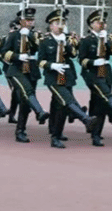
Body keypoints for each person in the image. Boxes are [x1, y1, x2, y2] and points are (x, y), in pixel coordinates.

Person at [38, 8, 98, 148]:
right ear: (50, 25)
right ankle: (85, 118)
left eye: (62, 23)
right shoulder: (45, 41)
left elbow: (73, 54)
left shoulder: (66, 39)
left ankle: (56, 135)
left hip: (67, 76)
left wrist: (66, 44)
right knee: (66, 100)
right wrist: (52, 65)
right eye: (57, 23)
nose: (60, 25)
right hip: (53, 77)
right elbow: (40, 61)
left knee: (62, 108)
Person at [78, 9, 112, 147]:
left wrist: (106, 40)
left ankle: (94, 129)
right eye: (98, 22)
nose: (101, 24)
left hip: (105, 72)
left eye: (104, 22)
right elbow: (81, 60)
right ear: (91, 24)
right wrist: (93, 62)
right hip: (92, 73)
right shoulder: (86, 40)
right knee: (105, 96)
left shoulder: (109, 38)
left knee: (100, 103)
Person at [1, 7, 49, 143]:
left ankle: (20, 130)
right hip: (16, 69)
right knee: (27, 92)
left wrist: (30, 36)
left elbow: (41, 47)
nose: (30, 22)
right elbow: (4, 52)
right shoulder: (14, 35)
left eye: (32, 20)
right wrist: (17, 56)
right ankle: (39, 112)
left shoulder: (36, 35)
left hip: (31, 69)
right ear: (21, 21)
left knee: (25, 101)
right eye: (27, 20)